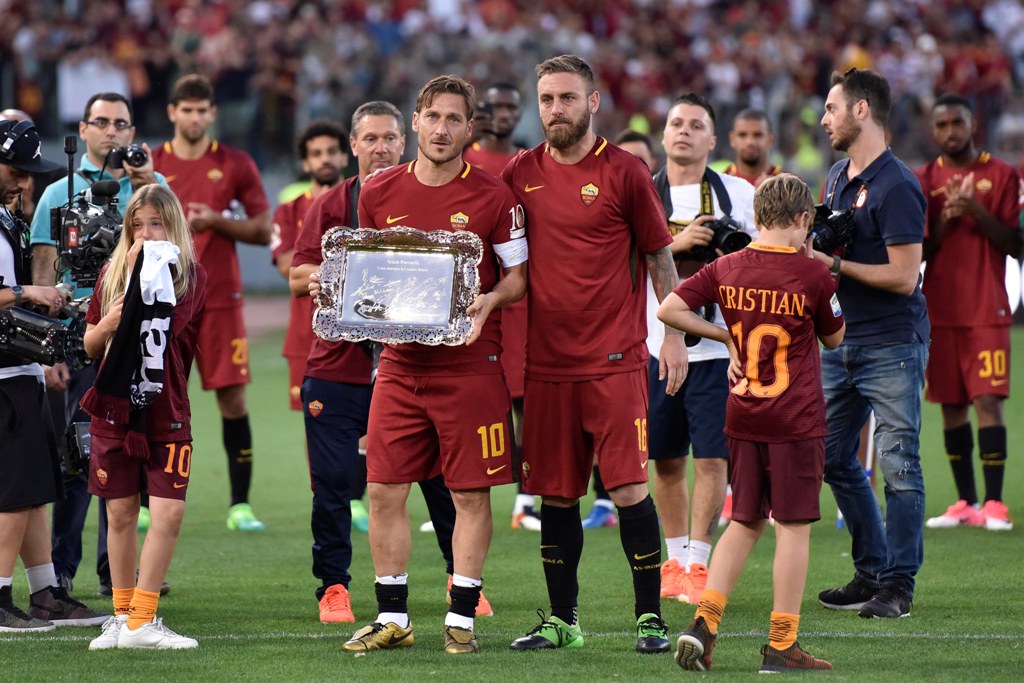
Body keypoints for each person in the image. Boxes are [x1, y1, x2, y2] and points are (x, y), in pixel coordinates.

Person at [501, 54, 686, 654]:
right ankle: (562, 620)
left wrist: (676, 333)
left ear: (593, 102)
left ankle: (650, 619)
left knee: (630, 488)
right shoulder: (518, 173)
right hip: (546, 365)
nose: (556, 110)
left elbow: (659, 256)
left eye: (567, 99)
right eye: (547, 99)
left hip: (615, 361)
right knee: (556, 494)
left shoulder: (625, 172)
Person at [336, 76, 526, 655]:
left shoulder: (496, 197)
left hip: (470, 368)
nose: (441, 129)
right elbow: (371, 276)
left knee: (470, 495)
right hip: (398, 366)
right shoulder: (378, 192)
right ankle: (393, 616)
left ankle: (462, 617)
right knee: (384, 490)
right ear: (415, 122)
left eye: (454, 119)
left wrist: (490, 300)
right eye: (432, 116)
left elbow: (518, 278)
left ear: (470, 128)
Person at [291, 101, 488, 624]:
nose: (381, 148)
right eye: (370, 139)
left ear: (405, 141)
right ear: (353, 145)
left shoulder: (420, 195)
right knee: (334, 484)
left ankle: (457, 577)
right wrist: (321, 281)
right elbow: (297, 273)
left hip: (413, 364)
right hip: (339, 367)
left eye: (390, 138)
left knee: (438, 480)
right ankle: (334, 586)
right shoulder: (331, 203)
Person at [665, 173, 844, 673]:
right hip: (795, 416)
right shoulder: (812, 276)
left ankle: (705, 623)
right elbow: (835, 338)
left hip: (743, 410)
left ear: (758, 216)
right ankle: (782, 644)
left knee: (743, 521)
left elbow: (669, 308)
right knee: (792, 527)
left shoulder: (726, 266)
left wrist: (723, 338)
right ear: (803, 219)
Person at [29, 92, 167, 595]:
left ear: (133, 132)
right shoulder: (56, 192)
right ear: (82, 130)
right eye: (102, 122)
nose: (112, 132)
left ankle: (120, 575)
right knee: (74, 455)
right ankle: (61, 569)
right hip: (76, 333)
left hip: (137, 335)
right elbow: (43, 274)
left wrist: (144, 183)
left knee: (133, 454)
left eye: (122, 124)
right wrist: (46, 348)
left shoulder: (151, 187)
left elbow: (175, 260)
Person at [815, 68, 929, 619]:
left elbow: (905, 276)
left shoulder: (899, 184)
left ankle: (898, 586)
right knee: (831, 455)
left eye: (832, 108)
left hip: (891, 343)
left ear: (862, 110)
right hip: (842, 340)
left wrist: (833, 262)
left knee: (898, 463)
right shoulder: (838, 174)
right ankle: (871, 568)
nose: (824, 118)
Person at [82, 184, 206, 649]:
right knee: (119, 514)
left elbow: (166, 328)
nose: (146, 233)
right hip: (114, 413)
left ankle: (143, 617)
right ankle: (121, 615)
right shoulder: (111, 274)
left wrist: (137, 284)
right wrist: (108, 323)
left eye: (156, 223)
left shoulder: (191, 276)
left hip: (166, 412)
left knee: (169, 513)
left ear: (173, 226)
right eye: (137, 225)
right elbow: (91, 346)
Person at [1, 119, 108, 632]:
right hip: (2, 377)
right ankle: (1, 598)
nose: (25, 182)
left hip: (20, 368)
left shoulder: (8, 220)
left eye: (27, 173)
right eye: (16, 171)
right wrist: (27, 293)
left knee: (36, 490)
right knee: (15, 492)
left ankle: (45, 591)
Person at [152, 74, 272, 533]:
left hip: (221, 301)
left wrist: (217, 220)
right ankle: (146, 501)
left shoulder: (235, 163)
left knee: (233, 399)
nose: (195, 117)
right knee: (154, 397)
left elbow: (263, 230)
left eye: (203, 110)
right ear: (172, 113)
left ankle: (239, 503)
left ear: (212, 114)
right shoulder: (153, 165)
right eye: (187, 109)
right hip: (164, 301)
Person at [649, 93, 756, 605]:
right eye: (676, 123)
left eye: (696, 125)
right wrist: (677, 243)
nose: (684, 131)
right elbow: (617, 262)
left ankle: (699, 562)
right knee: (666, 459)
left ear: (714, 140)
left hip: (718, 350)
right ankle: (673, 560)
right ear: (663, 134)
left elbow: (764, 258)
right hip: (653, 346)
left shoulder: (738, 193)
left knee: (712, 459)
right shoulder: (644, 193)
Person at [916, 94, 1022, 531]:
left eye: (956, 123)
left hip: (986, 309)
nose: (949, 132)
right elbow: (919, 251)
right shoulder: (923, 180)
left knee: (987, 402)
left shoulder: (1002, 174)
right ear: (933, 129)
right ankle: (965, 501)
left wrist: (975, 211)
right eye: (941, 125)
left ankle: (995, 503)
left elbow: (1017, 244)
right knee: (951, 407)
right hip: (939, 310)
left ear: (972, 123)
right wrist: (945, 220)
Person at [461, 82, 540, 532]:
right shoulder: (463, 162)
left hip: (517, 298)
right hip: (473, 303)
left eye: (513, 105)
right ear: (482, 113)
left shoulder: (526, 162)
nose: (505, 113)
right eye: (497, 106)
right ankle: (460, 496)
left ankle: (526, 502)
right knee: (473, 405)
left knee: (526, 407)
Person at [272, 120, 349, 413]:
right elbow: (285, 265)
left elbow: (298, 260)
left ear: (345, 156)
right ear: (305, 162)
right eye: (316, 153)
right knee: (315, 416)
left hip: (355, 330)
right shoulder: (289, 210)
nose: (325, 159)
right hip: (305, 332)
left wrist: (311, 258)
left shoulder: (362, 201)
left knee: (364, 421)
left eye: (331, 151)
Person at [723, 109, 784, 188]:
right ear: (732, 139)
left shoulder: (788, 185)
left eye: (758, 135)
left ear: (771, 140)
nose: (750, 142)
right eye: (742, 135)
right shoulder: (719, 184)